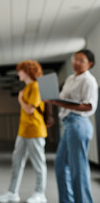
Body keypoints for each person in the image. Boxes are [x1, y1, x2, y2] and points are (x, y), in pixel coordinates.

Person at [0, 60, 47, 203]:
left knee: (38, 163)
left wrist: (20, 99)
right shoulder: (27, 87)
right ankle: (12, 192)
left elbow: (29, 109)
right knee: (17, 162)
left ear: (28, 71)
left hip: (35, 130)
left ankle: (40, 193)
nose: (18, 73)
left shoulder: (36, 86)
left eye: (20, 71)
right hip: (23, 131)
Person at [49, 49, 97, 203]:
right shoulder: (70, 78)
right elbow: (62, 98)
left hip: (79, 124)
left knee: (78, 170)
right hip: (68, 125)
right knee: (60, 166)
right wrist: (53, 100)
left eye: (81, 60)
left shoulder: (88, 80)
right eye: (75, 59)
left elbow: (88, 106)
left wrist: (60, 102)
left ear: (90, 64)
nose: (76, 63)